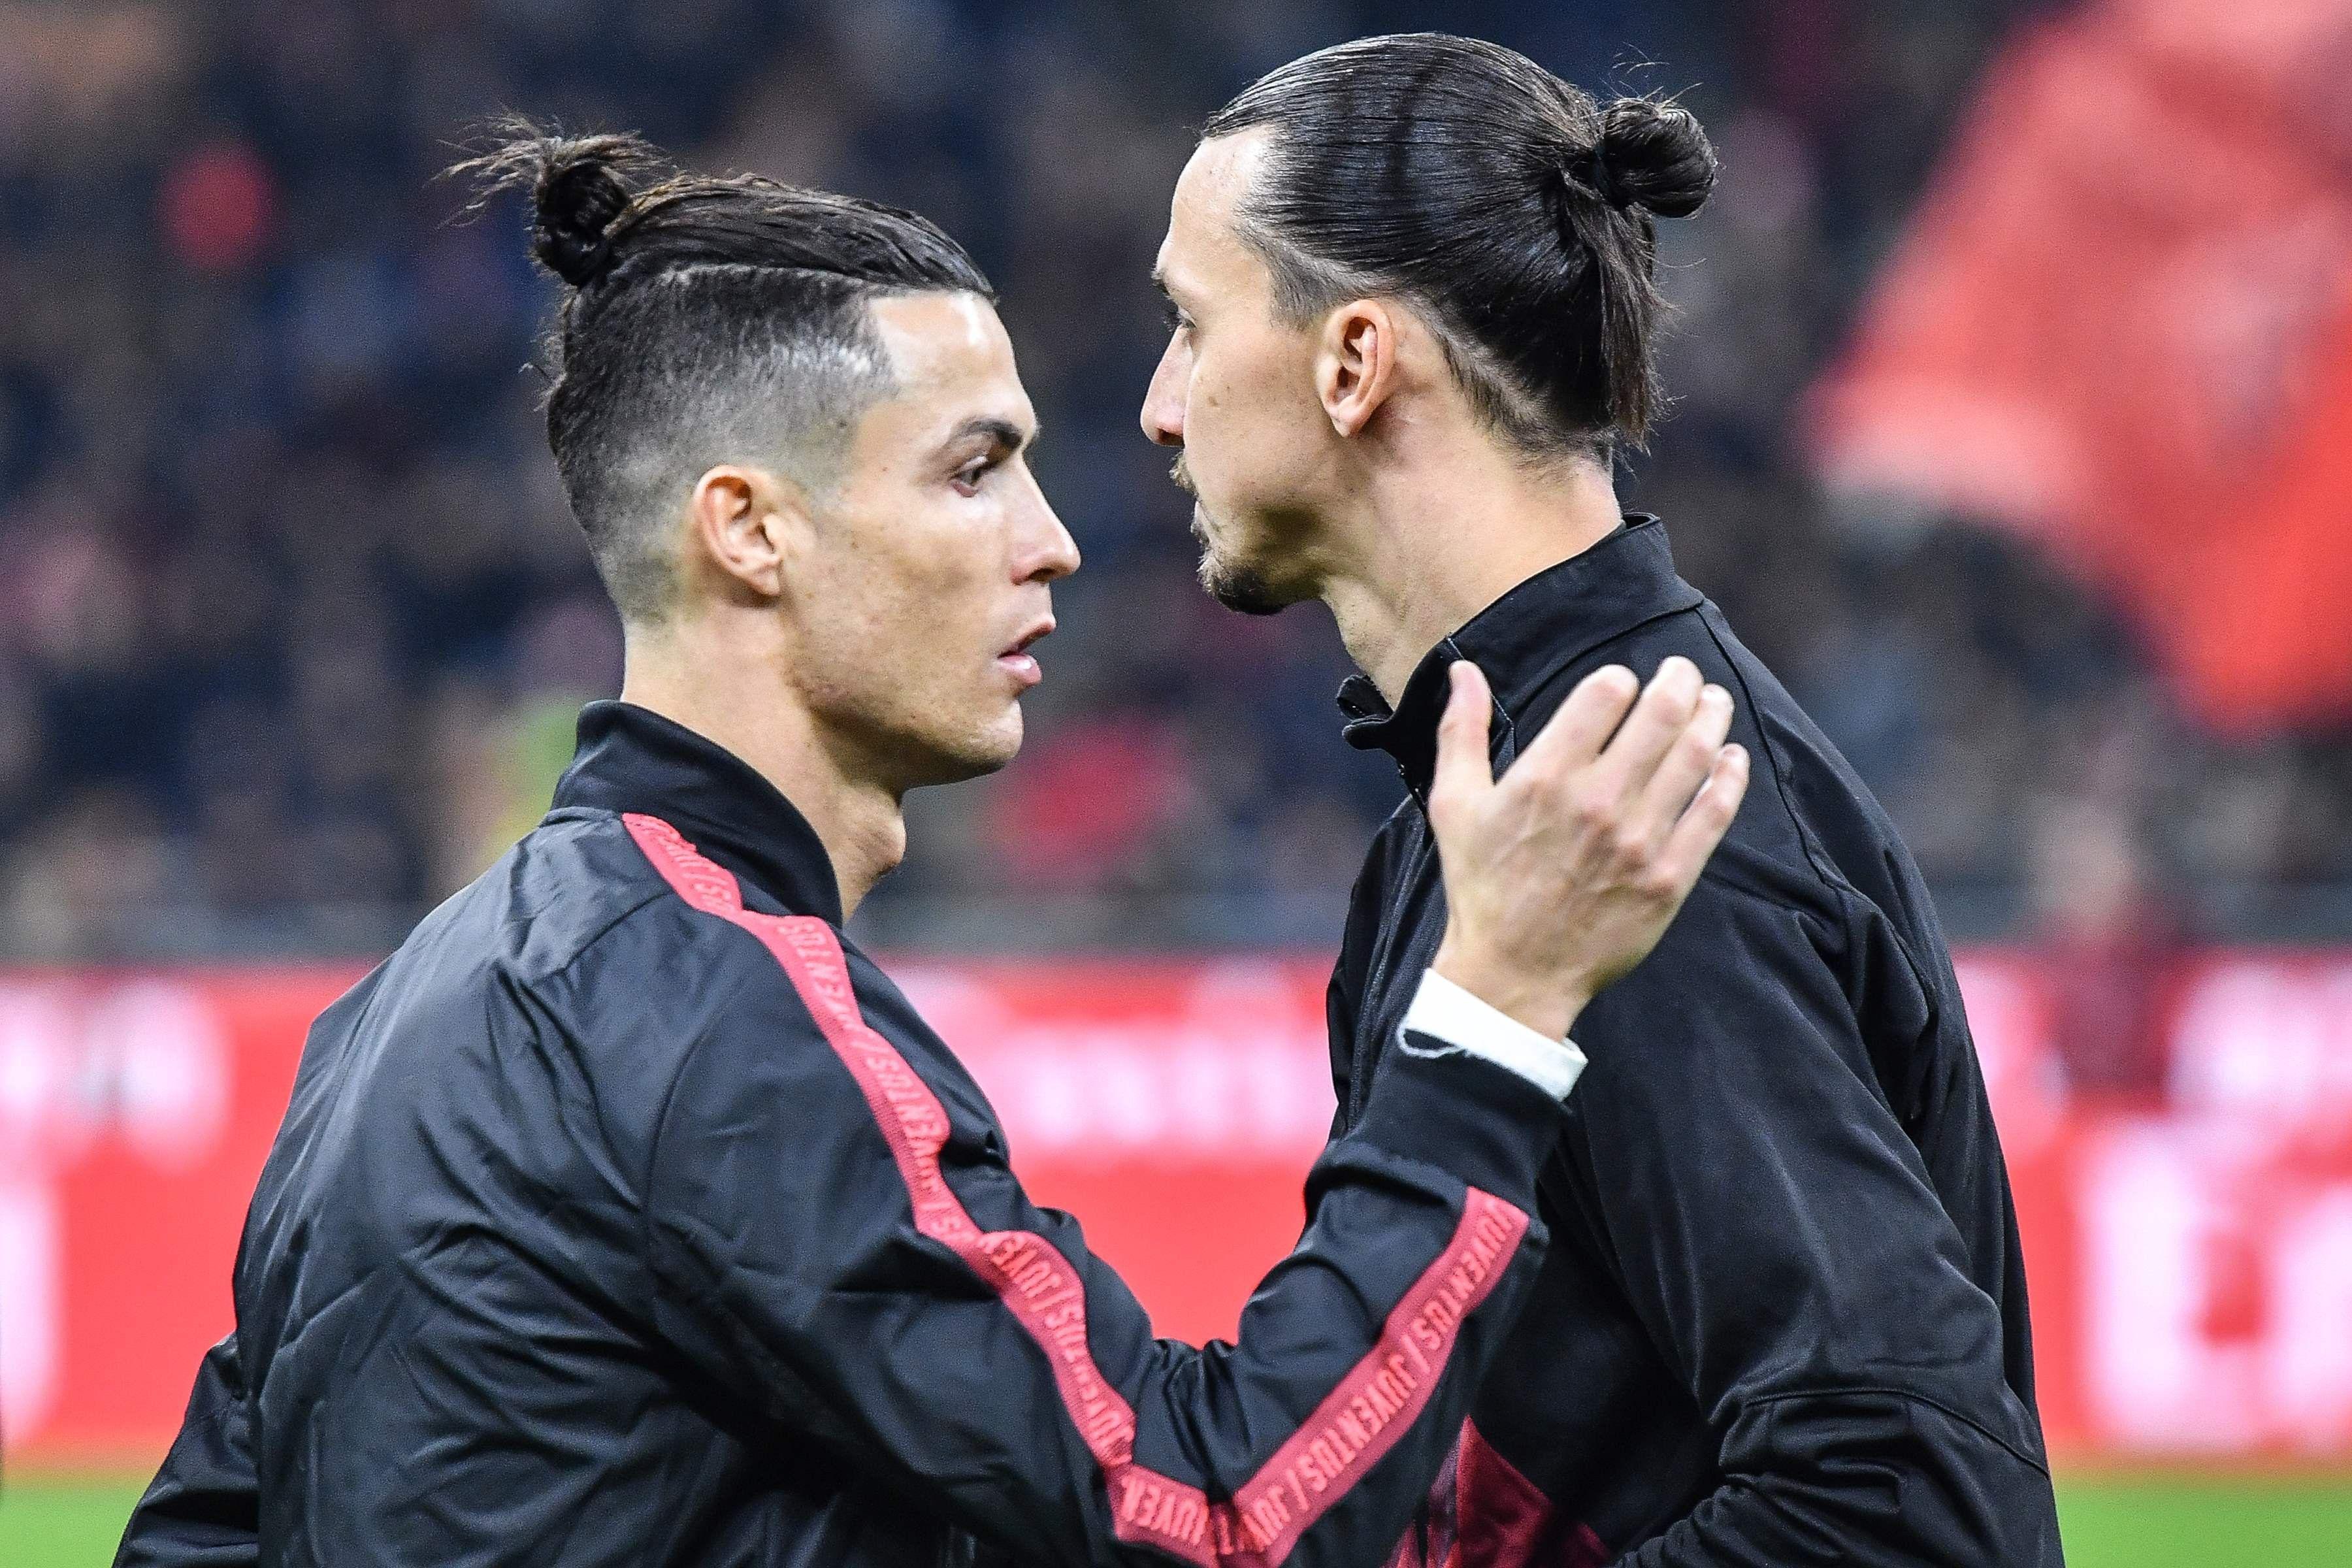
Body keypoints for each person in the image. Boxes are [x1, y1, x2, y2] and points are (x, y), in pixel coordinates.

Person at [117, 126, 1751, 1567]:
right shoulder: (714, 1018)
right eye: (975, 471)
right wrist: (1493, 1015)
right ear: (750, 531)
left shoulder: (394, 1016)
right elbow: (1234, 1515)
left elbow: (201, 1535)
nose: (1053, 544)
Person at [1139, 34, 2064, 1567]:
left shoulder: (1639, 811)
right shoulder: (1510, 785)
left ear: (1353, 362)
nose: (1162, 408)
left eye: (1188, 324)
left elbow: (1906, 1504)